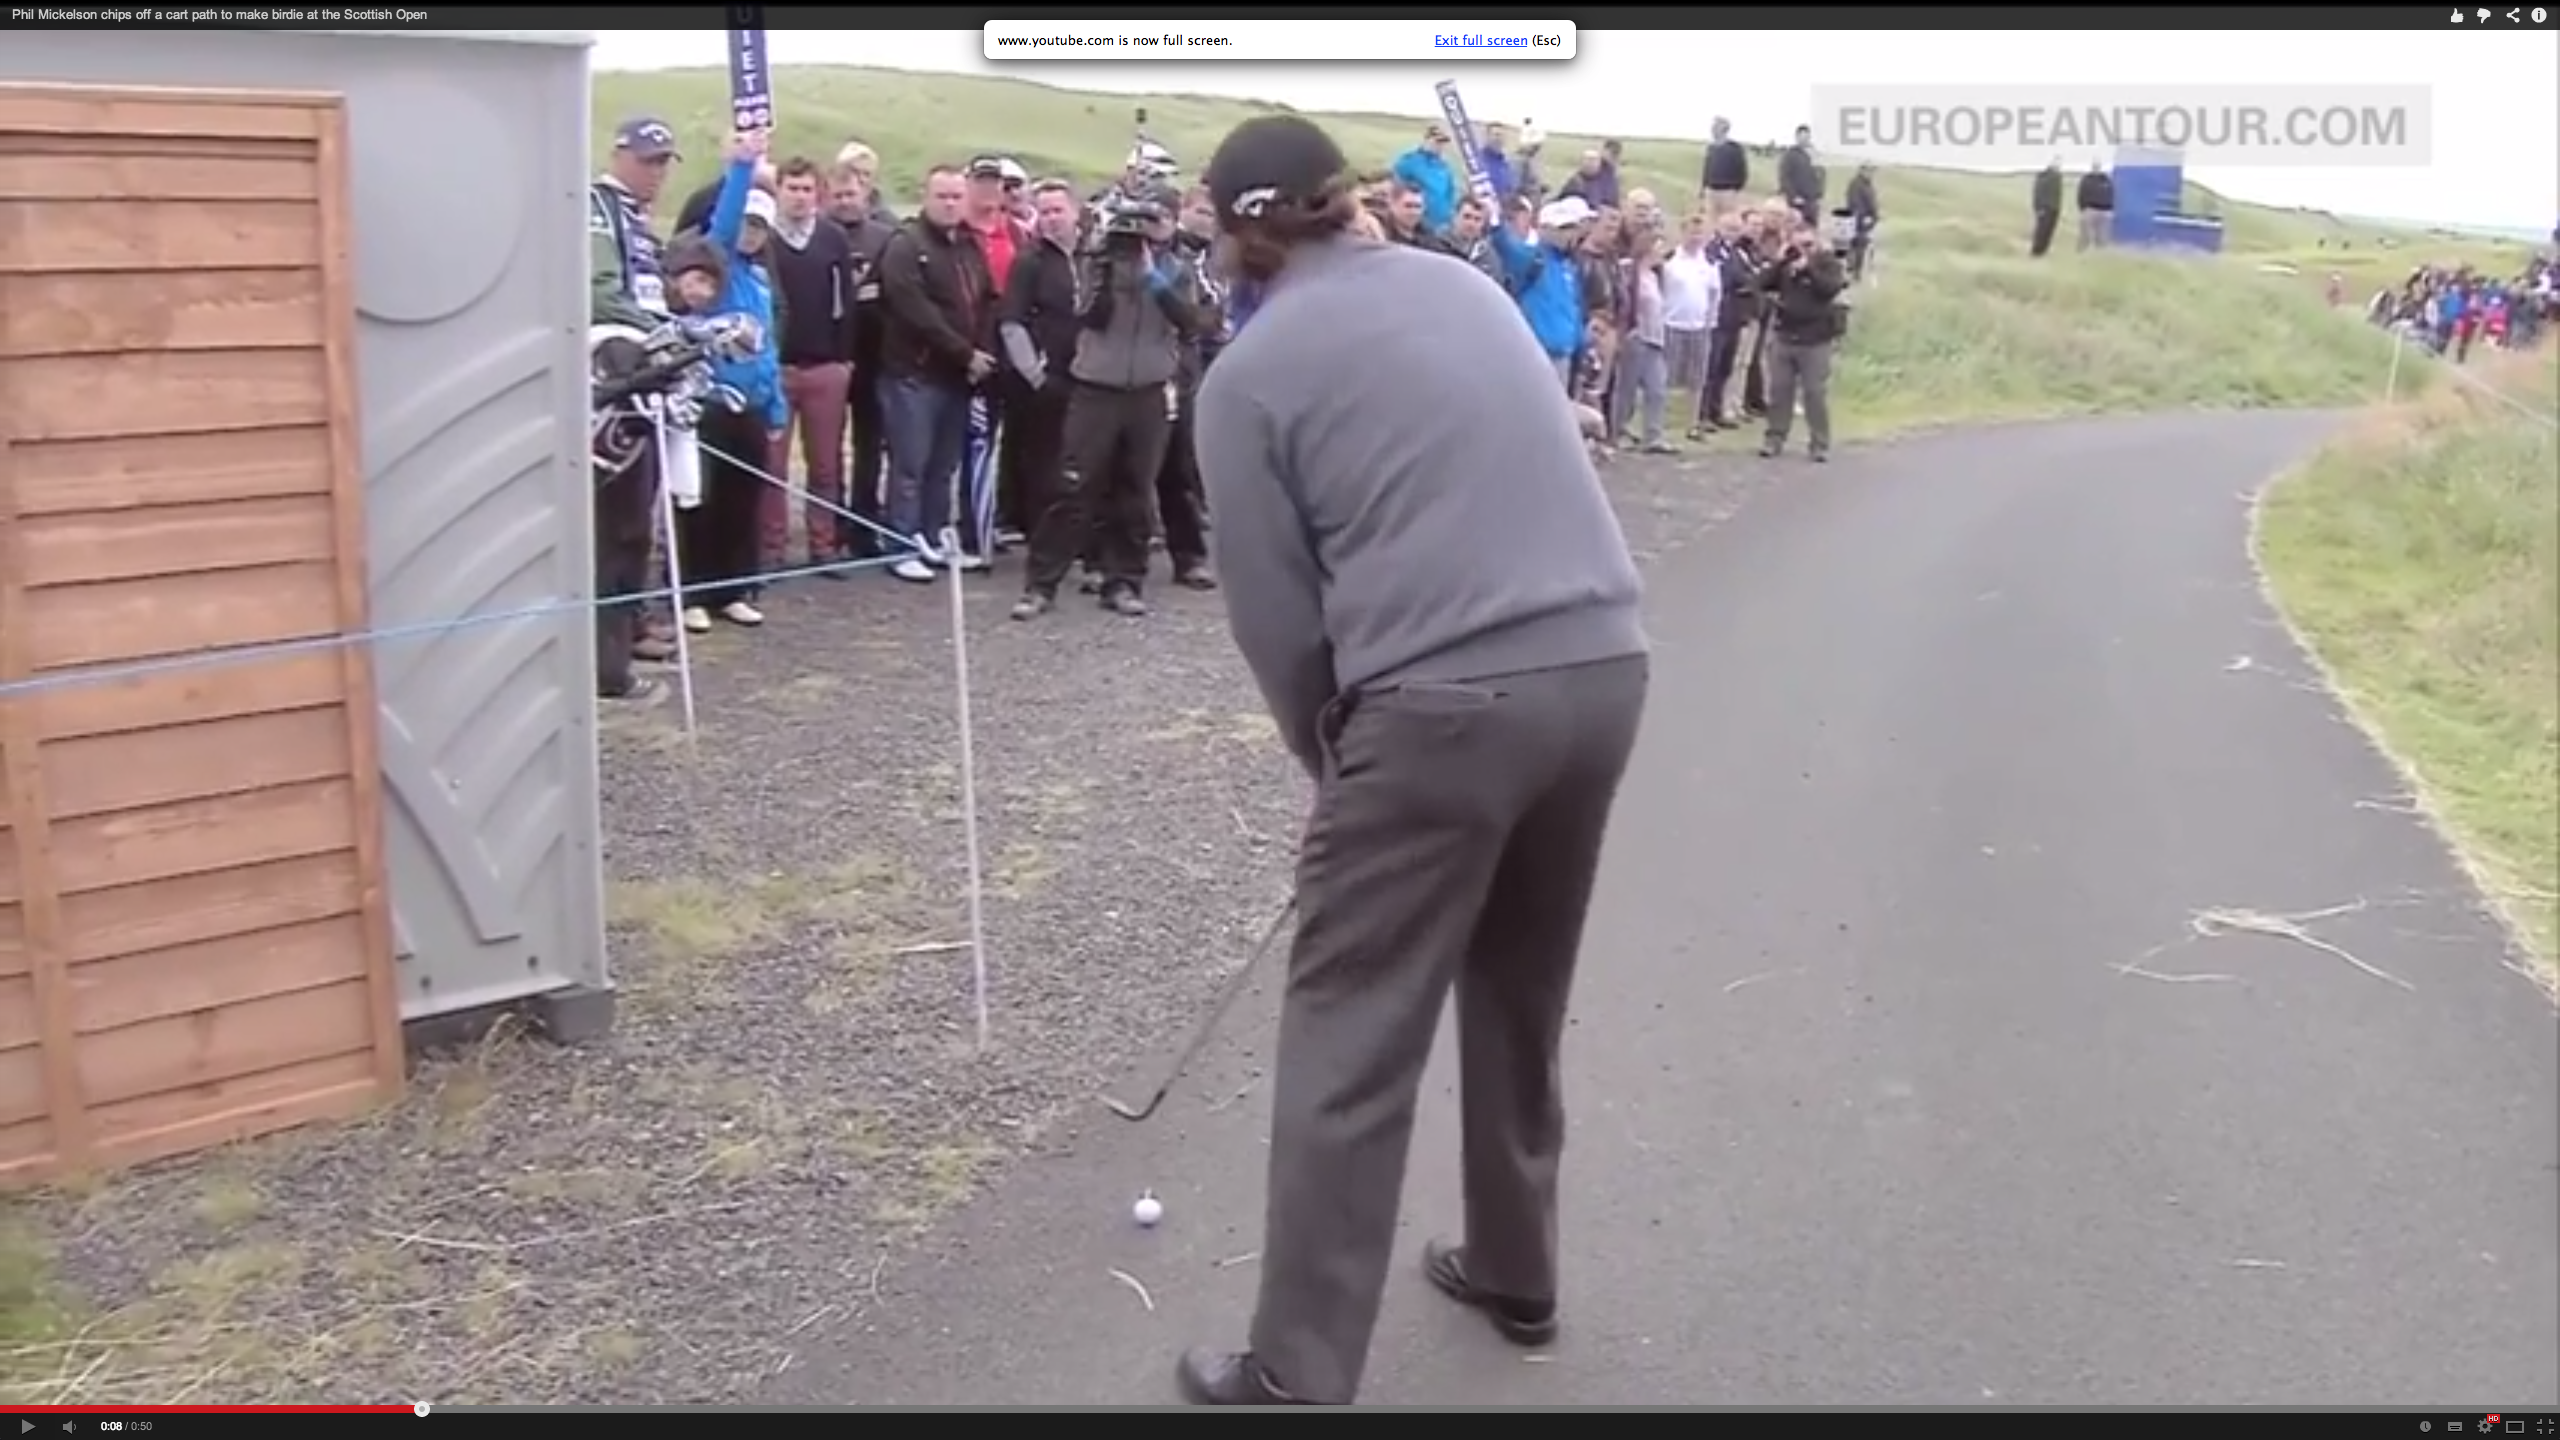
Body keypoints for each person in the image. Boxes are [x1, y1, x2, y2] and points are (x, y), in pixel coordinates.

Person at [1173, 112, 1649, 1409]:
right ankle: (1515, 1264)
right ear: (1344, 199)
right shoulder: (1460, 285)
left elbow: (1280, 625)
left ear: (1229, 231)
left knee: (1351, 1026)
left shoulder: (1246, 378)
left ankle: (1299, 1367)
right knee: (1516, 982)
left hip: (1439, 699)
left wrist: (1336, 769)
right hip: (1603, 667)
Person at [1010, 188, 1209, 620]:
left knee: (1135, 490)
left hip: (1149, 390)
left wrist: (1154, 280)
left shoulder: (1177, 271)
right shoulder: (1091, 266)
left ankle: (1124, 580)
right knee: (1074, 485)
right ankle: (1041, 583)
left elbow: (1191, 323)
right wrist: (1107, 267)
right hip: (1096, 388)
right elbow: (1087, 314)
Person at [675, 135, 791, 631]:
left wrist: (777, 408)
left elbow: (767, 350)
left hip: (754, 405)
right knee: (704, 498)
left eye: (760, 226)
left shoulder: (762, 281)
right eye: (747, 222)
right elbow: (722, 220)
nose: (750, 233)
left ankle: (733, 590)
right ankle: (694, 595)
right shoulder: (716, 265)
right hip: (712, 402)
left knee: (744, 500)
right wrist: (742, 166)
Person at [588, 115, 684, 700]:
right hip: (612, 379)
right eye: (648, 160)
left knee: (635, 528)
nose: (656, 173)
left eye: (664, 162)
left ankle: (623, 644)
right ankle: (606, 665)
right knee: (614, 529)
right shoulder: (599, 207)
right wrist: (660, 331)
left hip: (647, 377)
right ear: (620, 154)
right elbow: (600, 289)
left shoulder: (640, 220)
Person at [875, 165, 998, 584]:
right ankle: (901, 543)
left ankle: (932, 536)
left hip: (957, 377)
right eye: (941, 196)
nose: (949, 204)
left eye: (955, 196)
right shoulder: (906, 245)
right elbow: (914, 310)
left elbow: (986, 301)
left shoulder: (968, 245)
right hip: (915, 372)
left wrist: (981, 350)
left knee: (943, 467)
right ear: (926, 197)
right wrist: (965, 353)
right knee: (910, 464)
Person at [766, 155, 861, 569]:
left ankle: (824, 546)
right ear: (779, 190)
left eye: (807, 189)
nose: (800, 196)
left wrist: (845, 358)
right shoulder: (763, 238)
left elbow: (847, 302)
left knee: (826, 465)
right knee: (772, 467)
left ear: (817, 194)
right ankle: (770, 548)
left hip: (825, 367)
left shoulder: (832, 237)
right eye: (792, 187)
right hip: (776, 370)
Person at [996, 178, 1084, 577]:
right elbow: (1011, 323)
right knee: (1044, 469)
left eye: (1058, 210)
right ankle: (1044, 552)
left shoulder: (1094, 257)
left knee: (1087, 465)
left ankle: (1085, 545)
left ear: (1075, 211)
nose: (1051, 219)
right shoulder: (1029, 261)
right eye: (1044, 211)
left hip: (1094, 380)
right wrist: (1035, 375)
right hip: (1050, 381)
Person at [824, 156, 900, 561]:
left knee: (870, 446)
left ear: (865, 195)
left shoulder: (885, 237)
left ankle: (865, 522)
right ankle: (831, 523)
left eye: (851, 194)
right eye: (837, 195)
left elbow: (893, 294)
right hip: (832, 354)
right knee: (828, 448)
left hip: (875, 355)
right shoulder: (817, 236)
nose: (845, 202)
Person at [1756, 216, 1847, 462]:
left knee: (1814, 393)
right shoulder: (1787, 264)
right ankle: (1774, 438)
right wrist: (1782, 261)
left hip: (1815, 340)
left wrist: (1809, 267)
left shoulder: (1828, 264)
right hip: (1785, 335)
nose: (1803, 251)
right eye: (1799, 245)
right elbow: (1762, 283)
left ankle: (1819, 443)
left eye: (1808, 245)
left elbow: (1830, 288)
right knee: (1779, 391)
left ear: (1816, 242)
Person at [1487, 195, 1589, 390]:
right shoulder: (1534, 258)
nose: (1569, 235)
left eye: (1571, 228)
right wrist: (1495, 223)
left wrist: (1582, 344)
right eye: (1563, 229)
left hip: (1564, 355)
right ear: (1547, 230)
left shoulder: (1568, 265)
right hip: (1538, 353)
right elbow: (1507, 247)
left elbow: (1574, 309)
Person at [1661, 211, 1720, 395]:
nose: (1695, 238)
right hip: (1672, 326)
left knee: (1695, 383)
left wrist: (1709, 325)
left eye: (1699, 233)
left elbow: (1714, 294)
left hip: (1699, 329)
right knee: (1669, 379)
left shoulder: (1709, 263)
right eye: (1691, 232)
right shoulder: (1669, 260)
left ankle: (1689, 421)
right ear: (1682, 232)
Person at [1389, 123, 1462, 234]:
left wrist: (1450, 215)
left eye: (1443, 143)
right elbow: (1395, 186)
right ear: (1426, 140)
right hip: (1418, 223)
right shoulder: (1409, 162)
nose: (1440, 146)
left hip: (1442, 226)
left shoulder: (1444, 166)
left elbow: (1450, 193)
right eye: (1437, 141)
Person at [1698, 116, 1749, 220]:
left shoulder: (1735, 148)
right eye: (1713, 126)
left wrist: (1736, 188)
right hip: (1711, 191)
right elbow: (1707, 169)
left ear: (1724, 129)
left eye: (1716, 126)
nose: (1713, 129)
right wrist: (1703, 187)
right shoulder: (1711, 148)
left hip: (1728, 191)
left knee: (1728, 219)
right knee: (1711, 220)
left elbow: (1742, 170)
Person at [1778, 124, 1824, 227]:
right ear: (1797, 137)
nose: (1804, 139)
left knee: (1812, 227)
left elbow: (1821, 175)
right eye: (1801, 136)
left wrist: (1820, 194)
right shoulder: (1790, 154)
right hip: (1797, 200)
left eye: (1806, 137)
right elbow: (1784, 176)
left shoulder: (1815, 155)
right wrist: (1793, 196)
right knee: (1796, 227)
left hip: (1812, 201)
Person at [2076, 162, 2115, 251]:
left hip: (2105, 211)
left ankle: (2099, 255)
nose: (2096, 168)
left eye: (2098, 167)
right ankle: (2082, 253)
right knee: (2085, 236)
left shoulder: (2106, 179)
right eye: (2095, 167)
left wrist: (2110, 209)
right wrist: (2083, 209)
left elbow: (2111, 194)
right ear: (2092, 167)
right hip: (2090, 210)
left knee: (2102, 236)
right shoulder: (2086, 179)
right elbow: (2081, 194)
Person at [2029, 158, 2064, 258]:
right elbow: (2037, 193)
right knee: (2041, 231)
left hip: (2054, 208)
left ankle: (2043, 252)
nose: (2058, 166)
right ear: (2051, 164)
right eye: (2056, 164)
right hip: (2044, 208)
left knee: (2049, 232)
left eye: (2059, 164)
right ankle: (2035, 252)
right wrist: (2038, 208)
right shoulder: (2043, 176)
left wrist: (2058, 207)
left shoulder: (2058, 177)